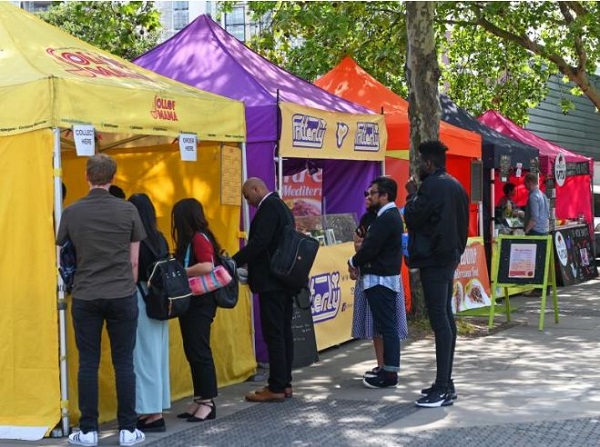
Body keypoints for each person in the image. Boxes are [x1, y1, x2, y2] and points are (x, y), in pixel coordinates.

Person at [56, 154, 146, 446]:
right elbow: (135, 262)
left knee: (87, 363)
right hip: (121, 293)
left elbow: (62, 256)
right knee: (124, 362)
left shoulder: (71, 212)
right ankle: (128, 429)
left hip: (85, 294)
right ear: (113, 177)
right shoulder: (128, 210)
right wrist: (125, 286)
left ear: (86, 176)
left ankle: (89, 430)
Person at [404, 141, 469, 408]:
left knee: (440, 321)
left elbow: (414, 216)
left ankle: (442, 387)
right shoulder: (456, 186)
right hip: (448, 257)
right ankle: (446, 382)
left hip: (436, 260)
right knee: (445, 317)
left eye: (420, 162)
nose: (418, 167)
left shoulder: (431, 186)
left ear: (429, 164)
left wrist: (411, 194)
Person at [233, 178, 296, 402]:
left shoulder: (269, 208)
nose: (248, 203)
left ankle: (276, 386)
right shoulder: (282, 207)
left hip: (272, 282)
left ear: (257, 188)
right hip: (285, 281)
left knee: (274, 334)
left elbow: (259, 243)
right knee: (284, 332)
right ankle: (285, 382)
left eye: (248, 197)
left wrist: (234, 261)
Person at [348, 176, 404, 389]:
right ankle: (387, 369)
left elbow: (371, 248)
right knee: (383, 326)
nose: (368, 196)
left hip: (381, 279)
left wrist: (352, 261)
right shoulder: (385, 216)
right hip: (379, 277)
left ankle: (390, 374)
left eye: (373, 193)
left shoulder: (387, 217)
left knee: (387, 327)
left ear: (384, 195)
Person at [171, 198, 219, 422]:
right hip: (195, 302)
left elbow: (208, 265)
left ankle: (208, 401)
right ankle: (200, 397)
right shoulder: (197, 237)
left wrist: (182, 271)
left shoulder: (199, 237)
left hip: (201, 302)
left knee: (199, 350)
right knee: (193, 349)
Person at [128, 193, 170, 433]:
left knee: (143, 358)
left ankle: (151, 412)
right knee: (157, 356)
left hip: (142, 298)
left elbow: (134, 270)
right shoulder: (159, 238)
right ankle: (156, 409)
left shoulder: (136, 239)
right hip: (160, 302)